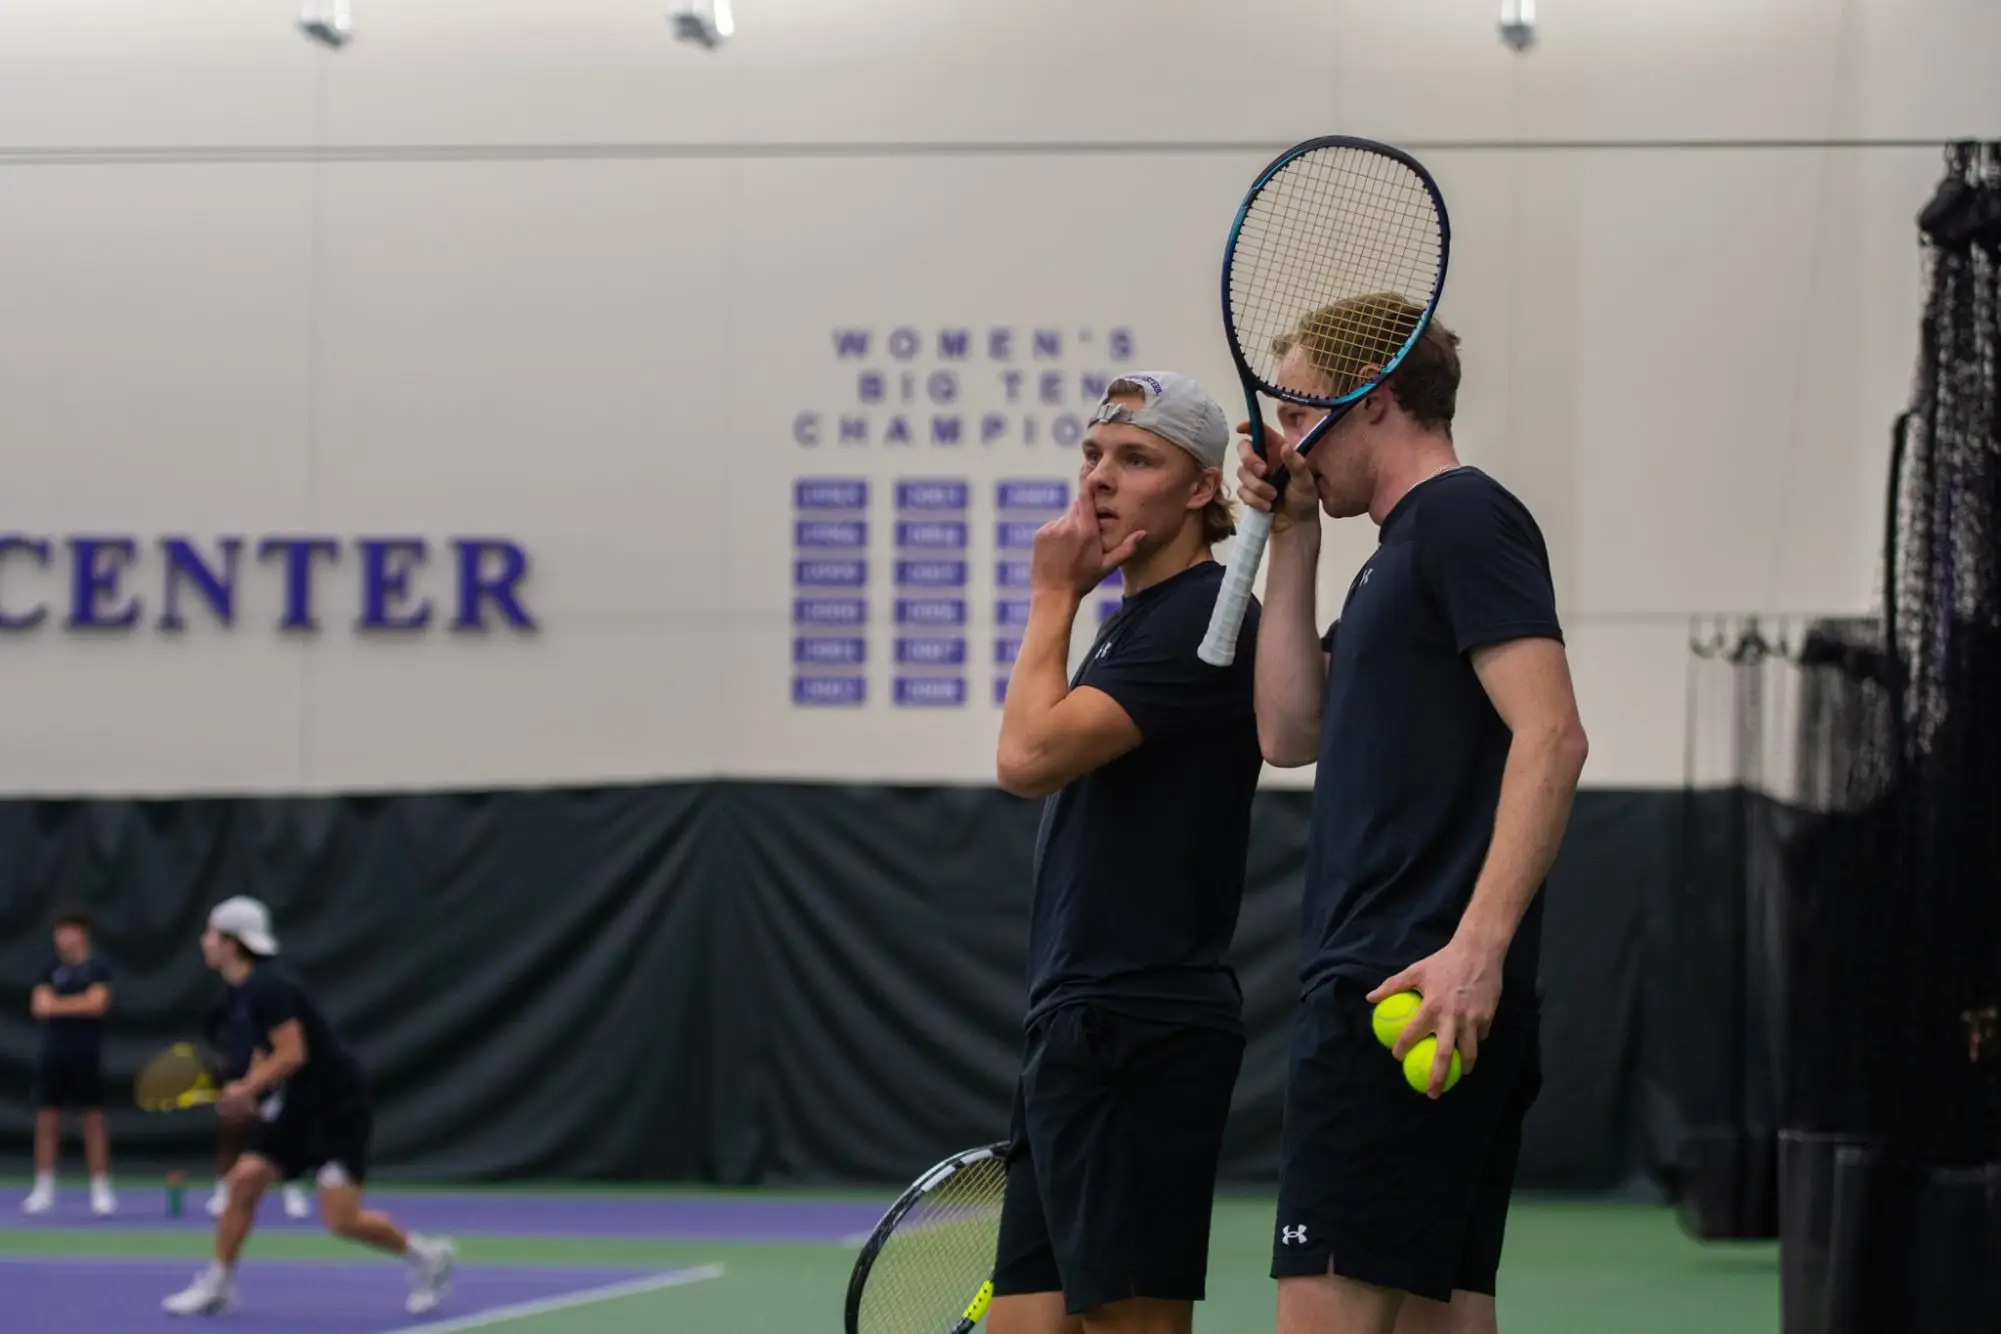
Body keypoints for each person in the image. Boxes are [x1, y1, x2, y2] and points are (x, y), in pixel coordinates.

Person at [1236, 296, 1588, 1334]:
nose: (1286, 441)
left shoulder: (1462, 518)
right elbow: (1288, 729)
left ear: (1375, 399)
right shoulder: (1396, 554)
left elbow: (1553, 735)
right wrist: (1292, 535)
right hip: (1417, 992)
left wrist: (1474, 949)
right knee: (1443, 1316)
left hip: (1405, 983)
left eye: (1300, 413)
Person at [989, 372, 1264, 1334]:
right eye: (1092, 456)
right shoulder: (1135, 624)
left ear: (1201, 489)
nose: (1099, 480)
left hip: (1140, 1023)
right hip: (1074, 1022)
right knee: (1026, 1318)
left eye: (1136, 460)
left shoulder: (1202, 620)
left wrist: (1050, 594)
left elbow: (1024, 757)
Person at [162, 897, 454, 1318]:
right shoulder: (240, 993)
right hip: (296, 1101)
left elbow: (292, 1053)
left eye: (211, 934)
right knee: (243, 1182)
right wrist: (253, 1093)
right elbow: (267, 1053)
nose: (203, 941)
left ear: (232, 943)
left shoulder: (270, 986)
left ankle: (426, 1257)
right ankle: (219, 1285)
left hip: (337, 1103)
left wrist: (246, 1088)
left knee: (341, 1219)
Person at [22, 908, 116, 1217]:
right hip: (53, 1055)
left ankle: (101, 1189)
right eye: (58, 931)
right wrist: (78, 1004)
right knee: (47, 1120)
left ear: (82, 933)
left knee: (92, 1121)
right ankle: (44, 1188)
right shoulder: (49, 967)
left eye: (68, 930)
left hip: (87, 1056)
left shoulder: (98, 968)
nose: (61, 937)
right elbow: (39, 1006)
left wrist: (59, 1005)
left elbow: (97, 1004)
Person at [203, 984, 312, 1222]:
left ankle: (292, 1188)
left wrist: (269, 1066)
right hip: (237, 1075)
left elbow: (293, 1041)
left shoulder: (280, 998)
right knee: (230, 1130)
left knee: (286, 1133)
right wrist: (225, 1060)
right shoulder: (231, 996)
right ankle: (224, 1189)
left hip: (275, 1075)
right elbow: (211, 1027)